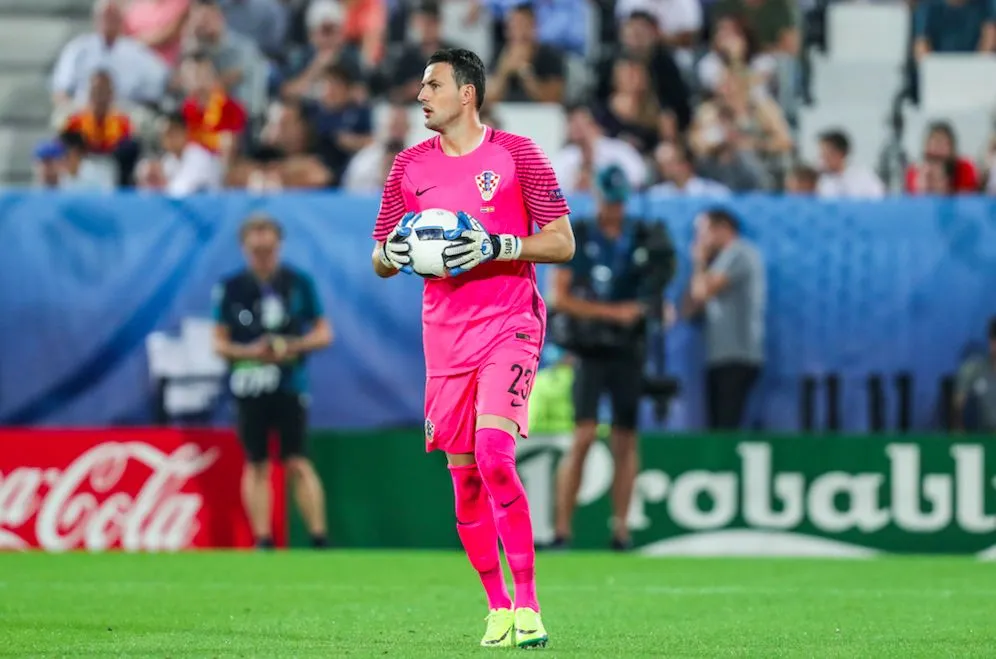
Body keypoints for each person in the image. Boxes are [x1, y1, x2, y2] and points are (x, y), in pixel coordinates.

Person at [370, 48, 574, 649]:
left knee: (494, 455)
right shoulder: (407, 167)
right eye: (420, 86)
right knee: (464, 482)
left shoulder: (518, 154)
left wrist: (498, 245)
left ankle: (529, 605)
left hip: (510, 322)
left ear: (467, 93)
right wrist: (394, 254)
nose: (421, 95)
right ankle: (497, 607)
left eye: (432, 85)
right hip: (445, 337)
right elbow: (379, 255)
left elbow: (562, 242)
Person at [548, 165, 675, 550]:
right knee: (583, 435)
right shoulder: (581, 234)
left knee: (625, 438)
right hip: (590, 349)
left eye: (620, 202)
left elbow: (656, 289)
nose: (615, 209)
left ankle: (621, 529)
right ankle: (562, 530)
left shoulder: (643, 236)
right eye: (610, 201)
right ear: (597, 196)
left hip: (628, 348)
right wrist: (612, 313)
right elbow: (560, 297)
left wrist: (650, 308)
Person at [213, 214, 333, 549]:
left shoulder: (298, 283)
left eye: (268, 244)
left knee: (298, 460)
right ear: (244, 247)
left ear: (278, 244)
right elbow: (219, 343)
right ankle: (263, 538)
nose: (263, 252)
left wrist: (290, 347)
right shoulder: (231, 287)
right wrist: (251, 351)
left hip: (290, 384)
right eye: (256, 246)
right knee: (256, 462)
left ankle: (319, 537)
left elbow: (324, 333)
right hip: (249, 384)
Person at [683, 208, 766, 429]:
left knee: (726, 426)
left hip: (737, 355)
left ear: (722, 229)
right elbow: (689, 309)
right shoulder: (719, 262)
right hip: (720, 356)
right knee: (717, 425)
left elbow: (701, 293)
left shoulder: (739, 253)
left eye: (702, 232)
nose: (699, 240)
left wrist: (699, 262)